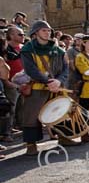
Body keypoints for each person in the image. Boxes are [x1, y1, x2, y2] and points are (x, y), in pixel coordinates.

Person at [19, 21, 69, 155]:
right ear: (35, 33)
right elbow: (30, 69)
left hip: (56, 86)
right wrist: (48, 81)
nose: (47, 33)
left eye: (48, 31)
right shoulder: (27, 49)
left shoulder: (58, 49)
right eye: (43, 30)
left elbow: (65, 69)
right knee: (32, 116)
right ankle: (31, 144)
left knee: (60, 112)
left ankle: (64, 137)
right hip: (37, 86)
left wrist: (58, 81)